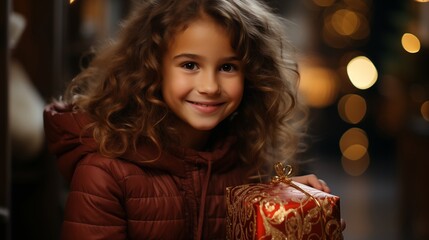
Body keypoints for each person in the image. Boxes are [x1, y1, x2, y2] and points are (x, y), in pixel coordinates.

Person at [43, 0, 334, 239]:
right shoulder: (104, 173)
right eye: (190, 65)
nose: (209, 86)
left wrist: (290, 217)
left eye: (228, 67)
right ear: (152, 68)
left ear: (253, 75)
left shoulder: (249, 162)